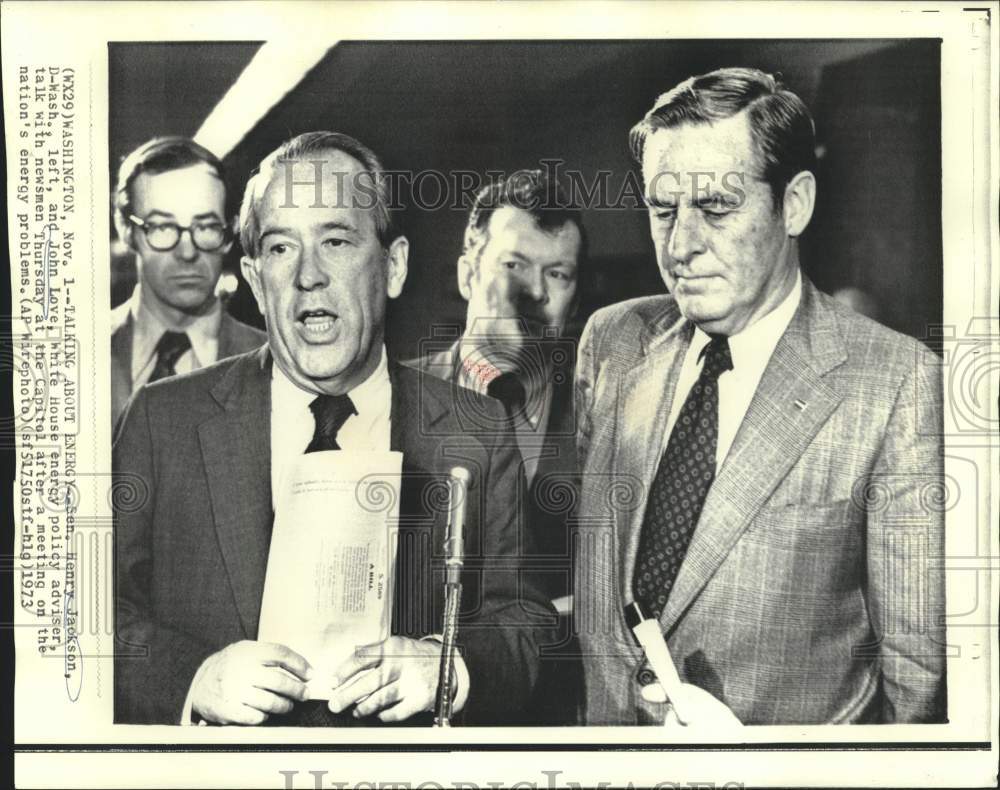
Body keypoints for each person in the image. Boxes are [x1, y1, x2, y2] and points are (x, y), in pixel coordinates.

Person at [113, 131, 555, 726]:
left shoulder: (478, 430)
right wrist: (193, 678)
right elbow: (90, 614)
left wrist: (447, 666)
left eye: (337, 241)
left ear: (394, 266)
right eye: (280, 248)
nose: (309, 276)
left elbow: (527, 620)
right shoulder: (162, 421)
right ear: (254, 280)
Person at [574, 67, 945, 725]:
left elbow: (916, 686)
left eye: (716, 207)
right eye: (663, 210)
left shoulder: (897, 384)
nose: (681, 245)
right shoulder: (612, 342)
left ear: (794, 204)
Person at [408, 170, 583, 601]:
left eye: (558, 274)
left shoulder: (601, 411)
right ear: (468, 275)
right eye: (513, 265)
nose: (536, 291)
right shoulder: (396, 394)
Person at [110, 137, 265, 429]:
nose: (187, 252)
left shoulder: (274, 364)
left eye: (205, 226)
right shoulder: (77, 350)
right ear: (127, 230)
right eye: (162, 226)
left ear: (230, 232)